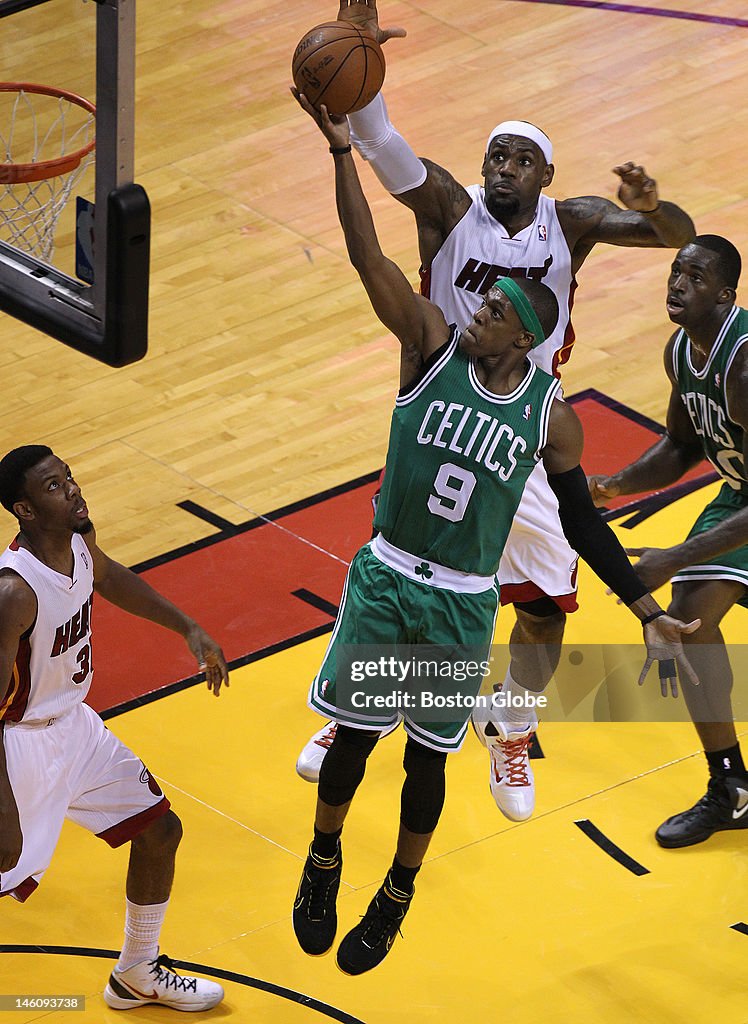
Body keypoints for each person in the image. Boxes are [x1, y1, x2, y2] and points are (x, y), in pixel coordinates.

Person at [290, 88, 698, 975]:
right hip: (402, 553)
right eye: (496, 153)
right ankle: (335, 797)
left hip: (492, 513)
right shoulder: (436, 312)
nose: (501, 166)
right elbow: (374, 231)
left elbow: (674, 231)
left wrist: (643, 607)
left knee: (546, 604)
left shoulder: (565, 277)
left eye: (520, 157)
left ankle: (501, 733)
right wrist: (341, 139)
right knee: (361, 740)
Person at [0, 446, 229, 1012]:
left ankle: (137, 971)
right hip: (21, 745)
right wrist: (3, 799)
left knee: (160, 830)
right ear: (24, 510)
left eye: (69, 478)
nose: (73, 489)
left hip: (77, 728)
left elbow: (107, 576)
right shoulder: (14, 592)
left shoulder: (78, 541)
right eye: (54, 487)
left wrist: (187, 627)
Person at [589, 234, 748, 847]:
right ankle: (732, 788)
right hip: (742, 495)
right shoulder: (682, 350)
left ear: (726, 294)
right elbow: (682, 444)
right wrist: (616, 485)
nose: (677, 283)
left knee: (681, 597)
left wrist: (675, 557)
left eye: (696, 276)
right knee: (685, 621)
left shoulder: (743, 364)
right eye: (676, 271)